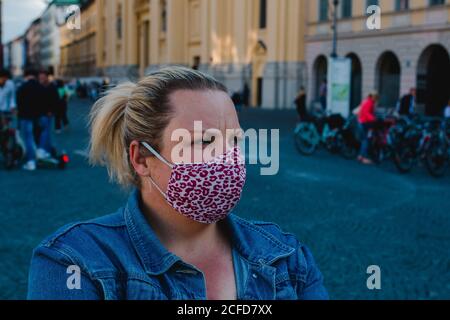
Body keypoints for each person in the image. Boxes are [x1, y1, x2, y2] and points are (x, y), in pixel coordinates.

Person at [28, 67, 328, 300]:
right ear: (142, 158)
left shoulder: (286, 256)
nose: (226, 158)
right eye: (203, 141)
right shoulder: (74, 262)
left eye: (234, 141)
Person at [16, 69, 41, 171]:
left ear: (26, 76)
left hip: (25, 116)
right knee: (35, 137)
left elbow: (18, 101)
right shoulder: (38, 86)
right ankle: (37, 155)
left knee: (28, 138)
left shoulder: (22, 87)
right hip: (37, 116)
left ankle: (31, 161)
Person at [37, 70, 59, 158]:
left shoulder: (52, 87)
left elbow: (55, 100)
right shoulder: (38, 86)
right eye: (40, 77)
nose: (41, 79)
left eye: (42, 77)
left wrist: (52, 111)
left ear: (46, 77)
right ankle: (47, 149)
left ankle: (43, 149)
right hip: (39, 113)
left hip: (47, 114)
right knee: (45, 132)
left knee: (45, 132)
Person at [357, 92, 379, 165]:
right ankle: (363, 158)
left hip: (361, 122)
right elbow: (366, 113)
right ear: (373, 96)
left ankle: (360, 156)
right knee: (366, 140)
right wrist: (373, 119)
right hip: (364, 123)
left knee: (364, 139)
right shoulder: (369, 102)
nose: (376, 99)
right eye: (376, 97)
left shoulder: (366, 101)